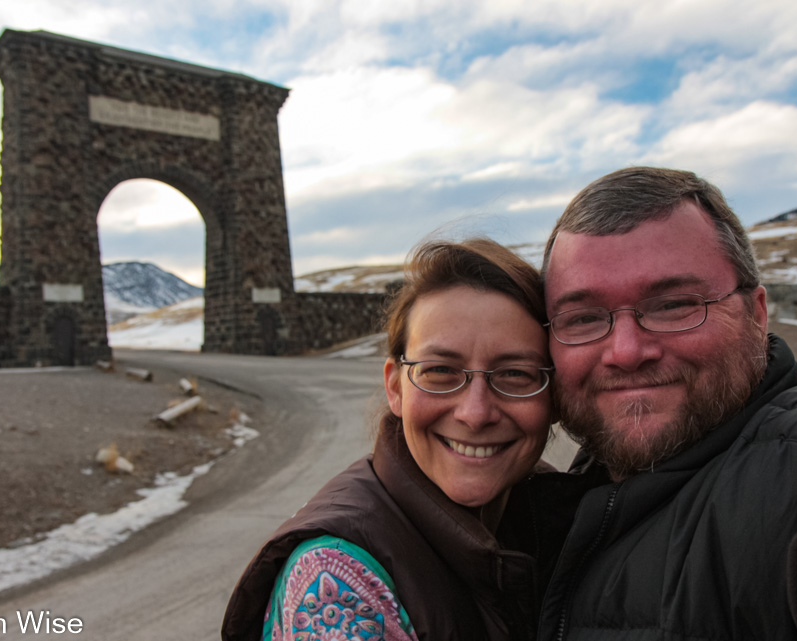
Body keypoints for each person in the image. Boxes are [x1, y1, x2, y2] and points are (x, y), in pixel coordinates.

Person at [537, 166, 797, 641]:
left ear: (756, 314)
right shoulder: (558, 502)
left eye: (672, 305)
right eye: (583, 318)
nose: (626, 352)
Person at [222, 238, 596, 640]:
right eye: (440, 371)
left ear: (552, 395)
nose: (475, 413)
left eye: (515, 374)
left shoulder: (555, 515)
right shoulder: (335, 582)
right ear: (395, 387)